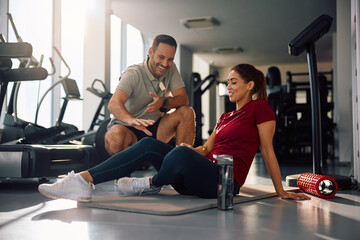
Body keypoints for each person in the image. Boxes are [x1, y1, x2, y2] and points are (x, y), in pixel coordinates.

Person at [38, 63, 310, 202]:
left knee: (178, 153)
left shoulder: (260, 108)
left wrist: (281, 191)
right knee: (151, 146)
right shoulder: (225, 116)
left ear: (250, 85)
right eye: (227, 82)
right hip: (196, 173)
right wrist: (192, 151)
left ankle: (150, 184)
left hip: (222, 183)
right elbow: (206, 149)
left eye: (234, 82)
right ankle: (83, 182)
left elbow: (267, 149)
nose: (228, 86)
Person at [105, 34, 195, 155]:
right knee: (115, 137)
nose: (165, 64)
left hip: (155, 127)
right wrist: (131, 120)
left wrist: (163, 102)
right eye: (161, 57)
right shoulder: (133, 73)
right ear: (151, 52)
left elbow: (183, 99)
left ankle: (182, 164)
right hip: (128, 127)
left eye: (170, 59)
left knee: (186, 112)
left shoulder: (171, 68)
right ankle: (124, 172)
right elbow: (113, 104)